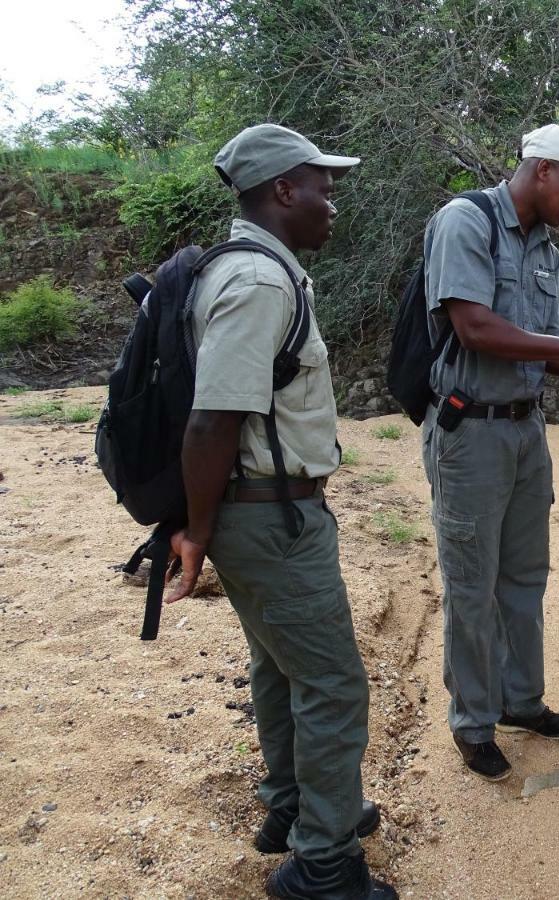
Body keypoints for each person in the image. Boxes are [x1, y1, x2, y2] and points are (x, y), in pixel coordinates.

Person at [163, 124, 395, 899]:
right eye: (323, 188)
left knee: (281, 666)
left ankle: (292, 806)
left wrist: (204, 526)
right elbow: (212, 420)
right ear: (283, 191)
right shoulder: (260, 283)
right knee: (332, 685)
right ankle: (323, 865)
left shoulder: (250, 269)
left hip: (259, 512)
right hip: (268, 515)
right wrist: (195, 534)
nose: (333, 202)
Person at [422, 124, 559, 782]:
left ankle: (522, 701)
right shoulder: (466, 222)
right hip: (471, 435)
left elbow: (540, 346)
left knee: (525, 577)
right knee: (472, 583)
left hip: (525, 431)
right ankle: (473, 720)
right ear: (544, 170)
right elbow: (474, 326)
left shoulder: (545, 246)